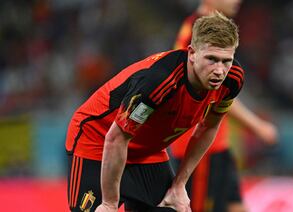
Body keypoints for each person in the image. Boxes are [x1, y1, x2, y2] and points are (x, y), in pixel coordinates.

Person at [65, 12, 243, 212]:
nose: (219, 70)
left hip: (146, 150)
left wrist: (179, 185)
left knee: (174, 207)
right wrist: (109, 203)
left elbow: (209, 127)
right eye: (211, 59)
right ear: (192, 53)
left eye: (226, 60)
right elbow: (116, 138)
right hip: (97, 139)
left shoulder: (232, 80)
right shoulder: (159, 80)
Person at [170, 0, 278, 211]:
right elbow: (215, 94)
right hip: (198, 146)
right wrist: (257, 126)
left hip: (217, 144)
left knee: (235, 206)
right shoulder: (196, 34)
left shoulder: (209, 29)